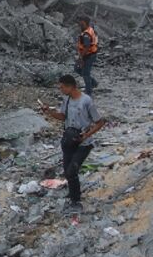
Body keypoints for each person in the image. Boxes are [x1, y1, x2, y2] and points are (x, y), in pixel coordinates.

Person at [38, 74, 106, 212]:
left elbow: (99, 122)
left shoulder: (86, 101)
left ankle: (76, 202)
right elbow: (63, 117)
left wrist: (86, 135)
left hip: (83, 143)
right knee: (67, 171)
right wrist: (49, 112)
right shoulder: (67, 100)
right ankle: (73, 194)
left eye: (62, 87)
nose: (60, 89)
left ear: (70, 86)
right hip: (69, 141)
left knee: (72, 171)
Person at [75, 16, 99, 96]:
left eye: (80, 21)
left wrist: (81, 58)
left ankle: (89, 92)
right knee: (77, 69)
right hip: (89, 54)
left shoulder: (86, 34)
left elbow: (86, 46)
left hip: (88, 55)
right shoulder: (89, 29)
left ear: (84, 22)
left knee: (85, 73)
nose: (79, 23)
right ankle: (93, 83)